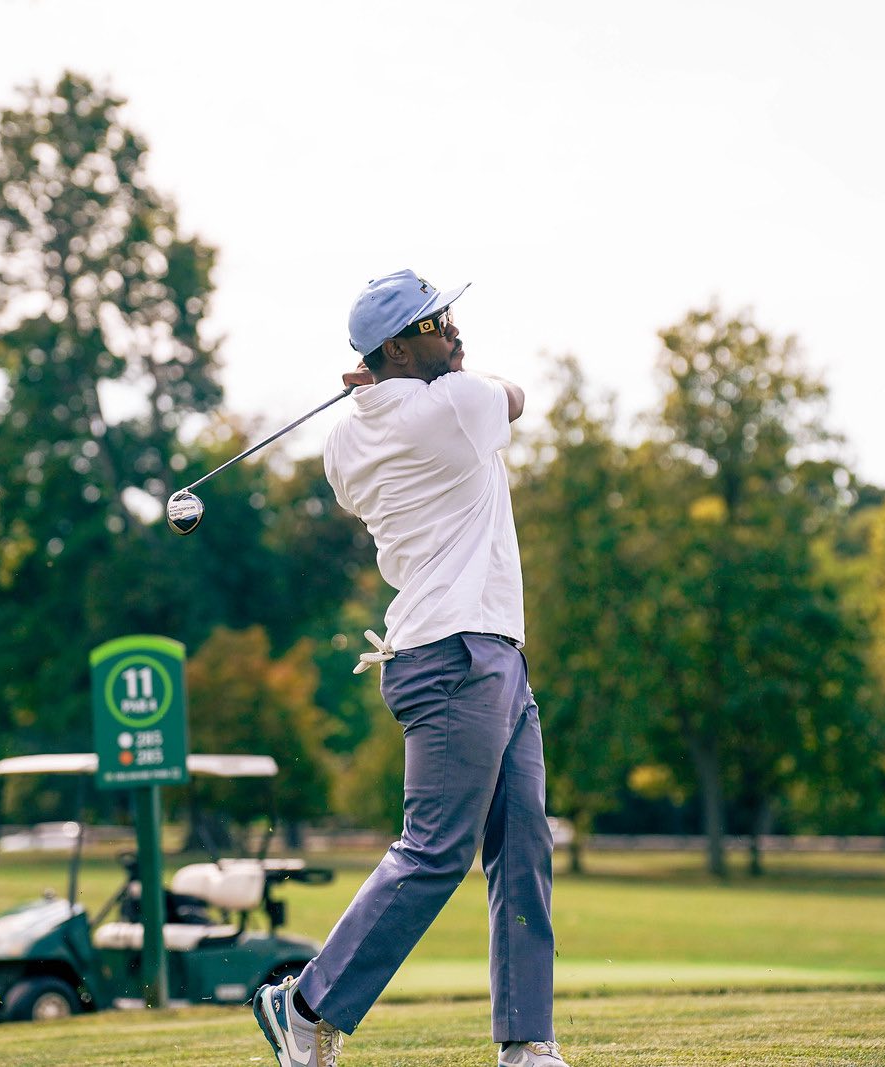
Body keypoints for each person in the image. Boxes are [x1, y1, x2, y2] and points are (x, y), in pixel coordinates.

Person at [252, 270, 567, 1067]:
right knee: (434, 851)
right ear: (396, 347)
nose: (453, 330)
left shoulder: (344, 440)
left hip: (485, 649)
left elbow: (418, 407)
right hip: (457, 654)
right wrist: (430, 377)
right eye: (436, 323)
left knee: (523, 843)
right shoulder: (455, 404)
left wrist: (389, 383)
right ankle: (306, 1004)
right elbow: (517, 395)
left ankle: (527, 1041)